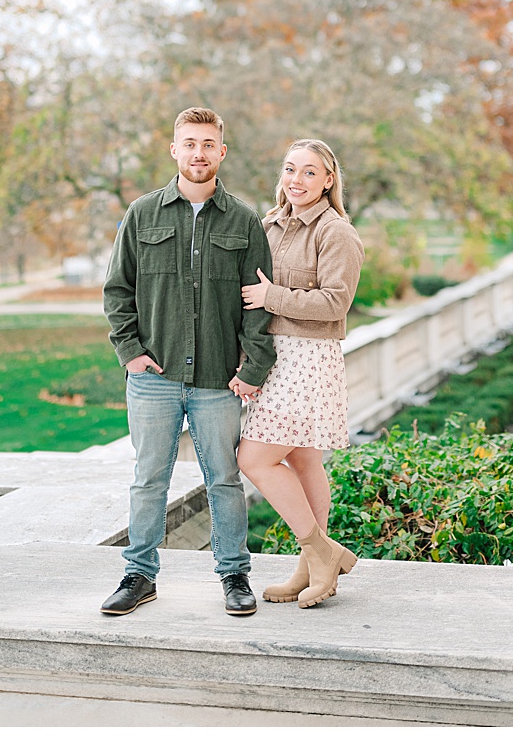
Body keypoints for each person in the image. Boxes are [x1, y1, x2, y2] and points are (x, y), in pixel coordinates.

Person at [100, 107, 275, 618]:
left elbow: (258, 303)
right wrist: (129, 351)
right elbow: (117, 291)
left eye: (208, 144)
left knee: (223, 477)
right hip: (155, 378)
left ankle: (234, 574)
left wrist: (252, 369)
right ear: (174, 149)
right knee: (149, 478)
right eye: (189, 143)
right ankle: (138, 575)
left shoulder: (243, 220)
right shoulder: (142, 214)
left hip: (218, 379)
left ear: (222, 151)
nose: (198, 152)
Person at [236, 138, 365, 608]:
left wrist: (273, 298)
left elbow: (336, 302)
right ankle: (312, 566)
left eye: (310, 172)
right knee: (304, 460)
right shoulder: (269, 225)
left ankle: (320, 554)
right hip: (275, 357)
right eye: (290, 169)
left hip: (309, 358)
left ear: (329, 180)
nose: (297, 180)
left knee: (255, 459)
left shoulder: (337, 233)